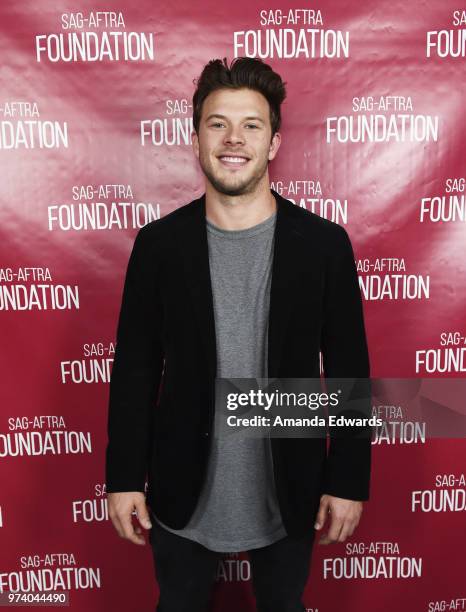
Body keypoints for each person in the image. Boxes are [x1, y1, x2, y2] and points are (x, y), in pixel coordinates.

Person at [105, 56, 371, 612]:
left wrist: (348, 480)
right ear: (197, 138)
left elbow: (348, 369)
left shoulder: (324, 246)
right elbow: (134, 369)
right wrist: (124, 477)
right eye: (217, 123)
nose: (234, 139)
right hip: (182, 485)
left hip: (290, 487)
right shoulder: (158, 246)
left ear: (273, 142)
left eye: (252, 125)